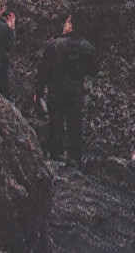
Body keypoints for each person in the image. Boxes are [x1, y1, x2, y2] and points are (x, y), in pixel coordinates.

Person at [34, 10, 99, 166]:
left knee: (55, 120)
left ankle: (55, 154)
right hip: (75, 89)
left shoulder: (53, 44)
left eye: (67, 22)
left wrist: (39, 91)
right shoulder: (87, 47)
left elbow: (43, 70)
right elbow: (94, 70)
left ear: (71, 25)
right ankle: (74, 158)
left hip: (56, 87)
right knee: (74, 123)